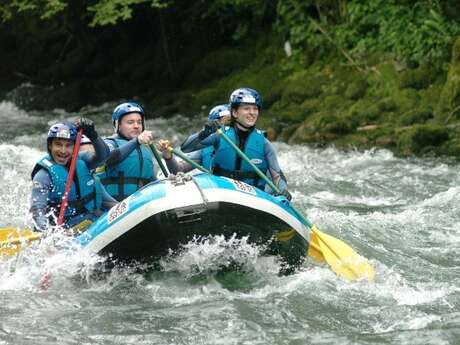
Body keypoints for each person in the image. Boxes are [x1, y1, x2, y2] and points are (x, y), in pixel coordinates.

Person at [180, 88, 292, 200]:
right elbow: (185, 148)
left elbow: (277, 176)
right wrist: (204, 133)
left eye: (255, 108)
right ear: (234, 112)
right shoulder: (220, 136)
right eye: (246, 108)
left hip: (254, 199)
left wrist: (283, 191)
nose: (252, 112)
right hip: (222, 194)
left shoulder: (264, 143)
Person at [30, 119, 117, 232]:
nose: (63, 150)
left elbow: (103, 157)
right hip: (65, 231)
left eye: (68, 145)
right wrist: (47, 235)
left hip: (92, 220)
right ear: (50, 146)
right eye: (58, 144)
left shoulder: (82, 160)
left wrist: (93, 135)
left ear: (75, 147)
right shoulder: (43, 175)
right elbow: (37, 210)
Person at [97, 101, 157, 201]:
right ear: (118, 125)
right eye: (130, 122)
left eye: (139, 122)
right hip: (113, 208)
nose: (136, 126)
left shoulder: (145, 150)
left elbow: (152, 181)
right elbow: (109, 158)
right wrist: (136, 141)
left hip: (142, 205)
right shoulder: (109, 143)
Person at [157, 104, 231, 174]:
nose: (222, 128)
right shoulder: (204, 149)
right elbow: (178, 170)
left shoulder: (238, 141)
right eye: (216, 124)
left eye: (228, 122)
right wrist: (168, 156)